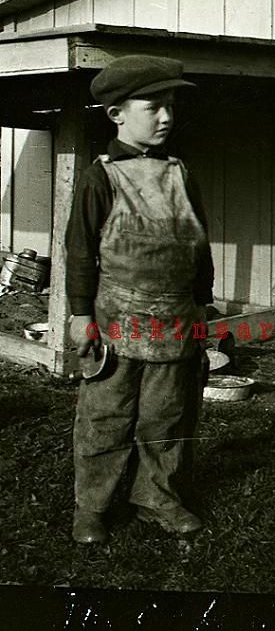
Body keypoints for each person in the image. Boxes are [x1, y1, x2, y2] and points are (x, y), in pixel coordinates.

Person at [65, 54, 215, 545]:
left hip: (174, 322)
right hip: (116, 324)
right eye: (153, 106)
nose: (167, 117)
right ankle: (93, 507)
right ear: (117, 114)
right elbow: (81, 252)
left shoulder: (180, 174)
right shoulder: (100, 179)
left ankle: (158, 497)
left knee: (167, 417)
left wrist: (203, 305)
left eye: (171, 105)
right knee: (105, 418)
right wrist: (81, 315)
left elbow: (199, 245)